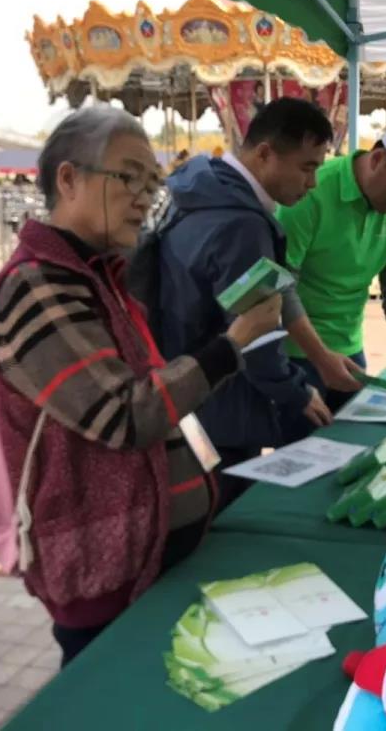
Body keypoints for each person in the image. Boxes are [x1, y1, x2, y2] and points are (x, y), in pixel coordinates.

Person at [0, 107, 280, 666]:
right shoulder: (37, 287)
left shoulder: (96, 276)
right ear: (68, 179)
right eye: (129, 178)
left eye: (152, 183)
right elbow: (125, 414)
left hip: (142, 560)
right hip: (101, 569)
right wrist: (234, 341)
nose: (145, 198)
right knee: (106, 689)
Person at [157, 98, 333, 487]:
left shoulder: (201, 191)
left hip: (185, 389)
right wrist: (298, 392)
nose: (312, 183)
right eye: (307, 168)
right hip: (223, 407)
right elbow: (254, 335)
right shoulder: (242, 225)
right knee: (224, 509)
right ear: (265, 154)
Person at [276, 123, 386, 410]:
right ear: (377, 159)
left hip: (350, 349)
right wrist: (321, 357)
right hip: (296, 352)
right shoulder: (311, 191)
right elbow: (280, 286)